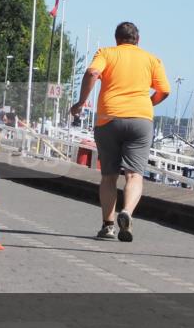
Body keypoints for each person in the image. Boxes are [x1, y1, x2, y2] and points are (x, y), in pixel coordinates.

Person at [70, 21, 170, 242]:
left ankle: (108, 226)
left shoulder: (106, 53)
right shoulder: (152, 59)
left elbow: (92, 73)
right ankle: (127, 212)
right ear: (138, 40)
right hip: (141, 120)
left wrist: (81, 102)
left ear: (116, 39)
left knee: (109, 177)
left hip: (109, 119)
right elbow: (164, 90)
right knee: (134, 175)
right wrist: (146, 104)